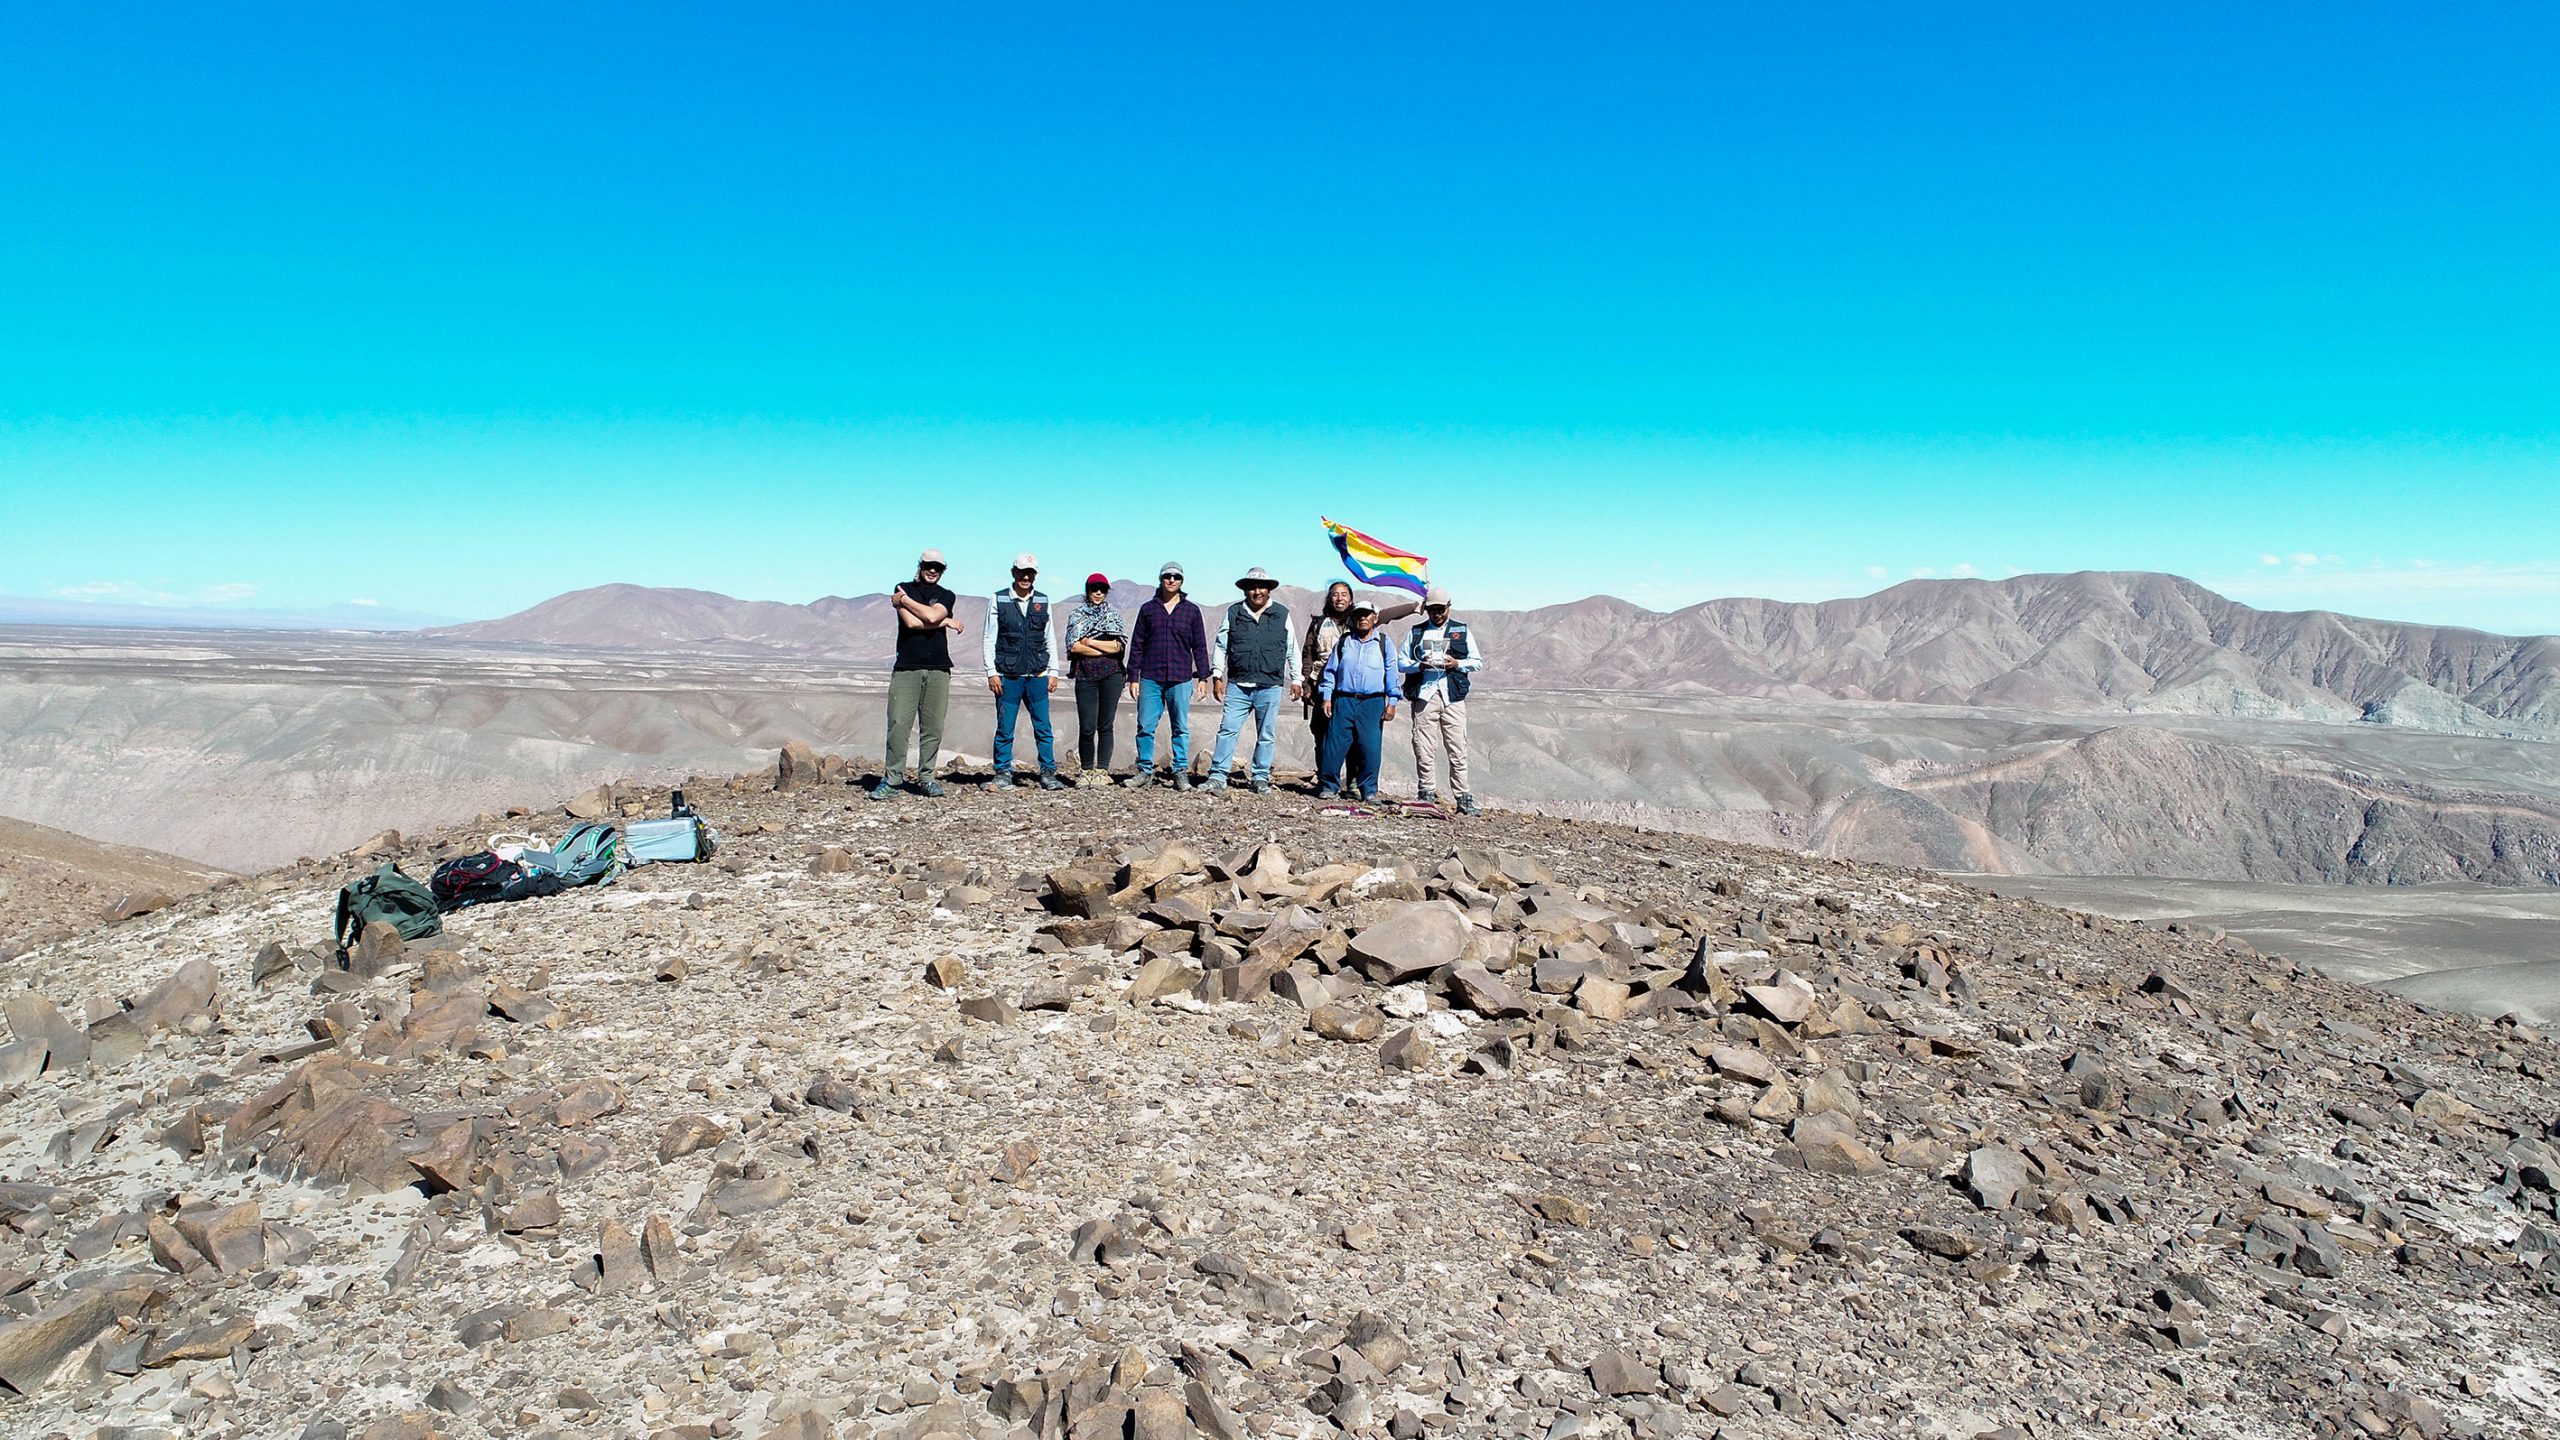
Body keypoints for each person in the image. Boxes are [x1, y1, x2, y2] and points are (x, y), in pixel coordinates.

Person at [1301, 581, 1420, 792]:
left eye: (1344, 594)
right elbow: (1308, 653)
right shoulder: (1321, 624)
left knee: (1364, 744)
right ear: (1329, 598)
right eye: (1335, 594)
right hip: (1327, 689)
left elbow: (1391, 614)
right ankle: (1326, 782)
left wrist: (1416, 605)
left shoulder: (1376, 635)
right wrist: (1307, 685)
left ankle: (1357, 784)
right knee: (1327, 739)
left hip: (1368, 699)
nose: (1339, 598)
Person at [873, 548, 962, 800]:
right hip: (907, 666)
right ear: (920, 566)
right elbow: (911, 624)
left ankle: (927, 778)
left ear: (943, 571)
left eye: (938, 567)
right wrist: (944, 622)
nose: (933, 570)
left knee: (932, 726)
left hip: (938, 667)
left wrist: (907, 603)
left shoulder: (946, 595)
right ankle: (893, 778)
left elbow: (931, 614)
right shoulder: (903, 586)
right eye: (928, 565)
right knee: (898, 723)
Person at [1206, 567, 1296, 794]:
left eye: (1261, 587)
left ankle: (1260, 777)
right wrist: (1217, 674)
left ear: (1269, 590)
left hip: (1270, 684)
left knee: (1266, 733)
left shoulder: (1282, 614)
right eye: (1252, 587)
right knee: (1228, 729)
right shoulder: (1234, 612)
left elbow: (1292, 648)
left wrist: (1297, 678)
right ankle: (1218, 775)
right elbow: (1220, 645)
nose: (1257, 591)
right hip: (1238, 684)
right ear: (1245, 590)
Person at [981, 553, 1067, 790]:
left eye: (1030, 572)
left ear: (1035, 575)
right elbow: (989, 637)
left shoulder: (1043, 600)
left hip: (1038, 675)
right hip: (1008, 676)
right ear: (1013, 572)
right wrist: (991, 671)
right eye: (1021, 571)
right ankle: (1002, 772)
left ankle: (1048, 772)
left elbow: (1049, 636)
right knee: (1005, 726)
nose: (1026, 576)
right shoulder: (999, 599)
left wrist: (1054, 671)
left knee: (1043, 727)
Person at [1122, 561, 1210, 790]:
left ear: (1182, 581)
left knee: (1180, 726)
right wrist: (1133, 676)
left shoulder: (1191, 611)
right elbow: (1138, 644)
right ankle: (1144, 771)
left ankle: (1180, 771)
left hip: (1180, 677)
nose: (1171, 580)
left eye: (1176, 577)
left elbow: (1199, 646)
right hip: (1151, 676)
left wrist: (1203, 676)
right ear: (1160, 579)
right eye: (1167, 576)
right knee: (1145, 726)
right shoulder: (1148, 609)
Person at [1316, 600, 1408, 802]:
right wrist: (1326, 697)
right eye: (1359, 615)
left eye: (1367, 614)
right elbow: (1330, 672)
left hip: (1373, 702)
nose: (1363, 618)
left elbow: (1392, 674)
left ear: (1375, 618)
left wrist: (1392, 702)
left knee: (1370, 747)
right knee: (1334, 744)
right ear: (1353, 618)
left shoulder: (1384, 643)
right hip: (1344, 700)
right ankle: (1329, 786)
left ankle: (1369, 791)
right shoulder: (1344, 642)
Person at [1403, 586, 1483, 814]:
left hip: (1452, 697)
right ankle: (1426, 793)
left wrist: (1457, 664)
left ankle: (1463, 797)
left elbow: (1477, 661)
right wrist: (1419, 664)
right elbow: (1401, 661)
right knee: (1423, 746)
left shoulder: (1462, 631)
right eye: (1432, 610)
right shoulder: (1416, 633)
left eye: (1440, 609)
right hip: (1425, 695)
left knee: (1457, 747)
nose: (1436, 614)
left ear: (1449, 607)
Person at [1062, 573, 1126, 785]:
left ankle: (1102, 771)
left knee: (1106, 724)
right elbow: (1074, 646)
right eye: (1094, 588)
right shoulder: (1076, 616)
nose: (1098, 593)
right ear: (1087, 590)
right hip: (1085, 675)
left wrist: (1090, 643)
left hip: (1112, 676)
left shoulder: (1113, 616)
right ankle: (1087, 771)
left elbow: (1119, 646)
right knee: (1087, 725)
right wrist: (1103, 649)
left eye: (1102, 589)